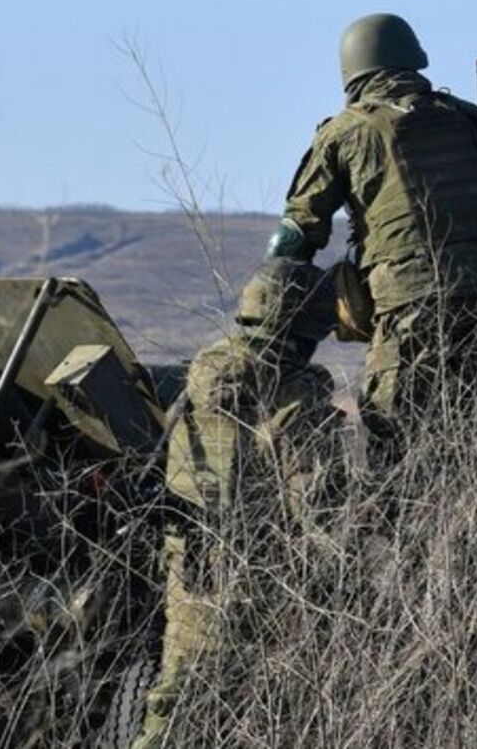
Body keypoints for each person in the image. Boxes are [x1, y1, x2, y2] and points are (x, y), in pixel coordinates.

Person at [271, 12, 477, 526]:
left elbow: (296, 233)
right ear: (412, 59)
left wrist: (266, 313)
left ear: (353, 71)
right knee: (456, 440)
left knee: (392, 437)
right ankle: (459, 554)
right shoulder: (468, 119)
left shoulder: (346, 131)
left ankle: (405, 561)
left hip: (410, 305)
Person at [133, 260, 347, 747]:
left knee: (178, 702)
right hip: (258, 584)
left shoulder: (202, 381)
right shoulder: (292, 397)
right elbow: (318, 512)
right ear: (309, 324)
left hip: (191, 573)